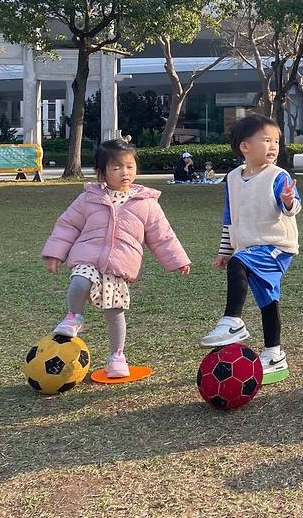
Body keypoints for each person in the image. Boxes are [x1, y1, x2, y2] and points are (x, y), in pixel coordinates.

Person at [41, 139, 191, 378]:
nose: (125, 172)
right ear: (102, 173)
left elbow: (162, 235)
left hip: (119, 267)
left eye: (130, 166)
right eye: (117, 168)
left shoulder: (146, 203)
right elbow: (67, 225)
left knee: (115, 312)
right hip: (87, 258)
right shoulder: (88, 198)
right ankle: (74, 317)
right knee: (79, 283)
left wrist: (177, 260)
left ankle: (116, 357)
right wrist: (54, 254)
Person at [200, 114, 300, 375]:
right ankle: (274, 354)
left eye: (276, 141)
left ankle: (232, 321)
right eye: (267, 140)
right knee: (269, 301)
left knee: (239, 263)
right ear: (245, 147)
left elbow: (292, 210)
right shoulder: (232, 178)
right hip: (248, 248)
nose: (274, 146)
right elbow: (230, 216)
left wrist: (288, 200)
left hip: (277, 246)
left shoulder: (278, 176)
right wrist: (225, 250)